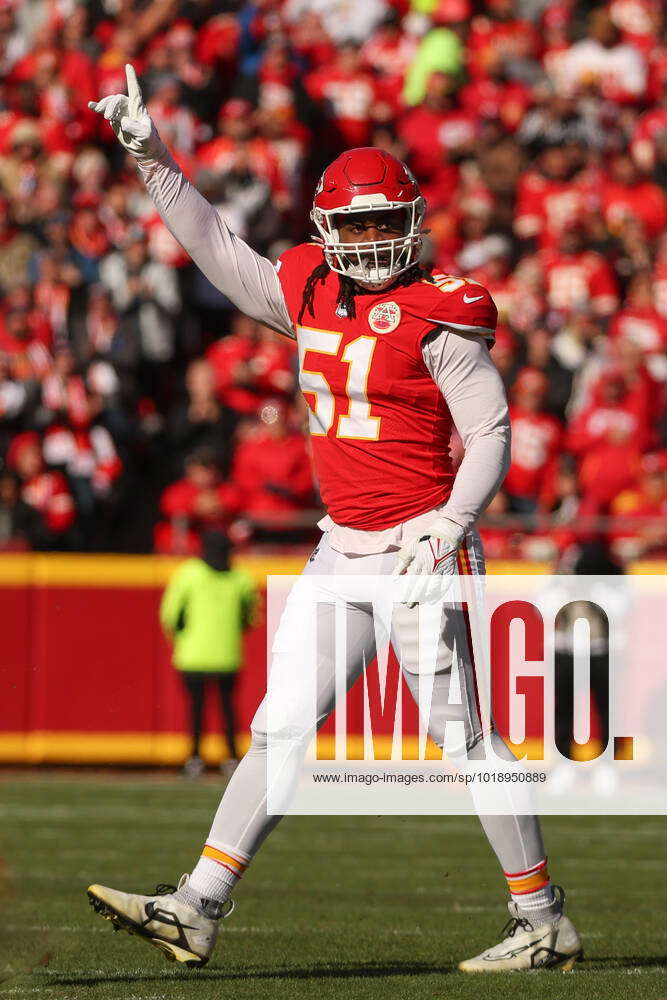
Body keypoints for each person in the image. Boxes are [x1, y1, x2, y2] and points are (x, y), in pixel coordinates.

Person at [86, 66, 582, 973]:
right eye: (349, 225)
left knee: (461, 733)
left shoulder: (441, 313)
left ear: (412, 223)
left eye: (379, 223)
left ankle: (541, 918)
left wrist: (452, 521)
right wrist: (152, 156)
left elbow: (489, 431)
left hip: (416, 541)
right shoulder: (310, 286)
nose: (364, 240)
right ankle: (198, 904)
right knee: (281, 723)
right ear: (325, 228)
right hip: (340, 543)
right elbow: (219, 250)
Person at [160, 530, 258, 779]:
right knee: (228, 710)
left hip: (191, 656)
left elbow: (170, 615)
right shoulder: (241, 577)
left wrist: (181, 638)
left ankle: (194, 759)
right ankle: (233, 758)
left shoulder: (188, 573)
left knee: (196, 709)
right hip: (227, 655)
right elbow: (250, 617)